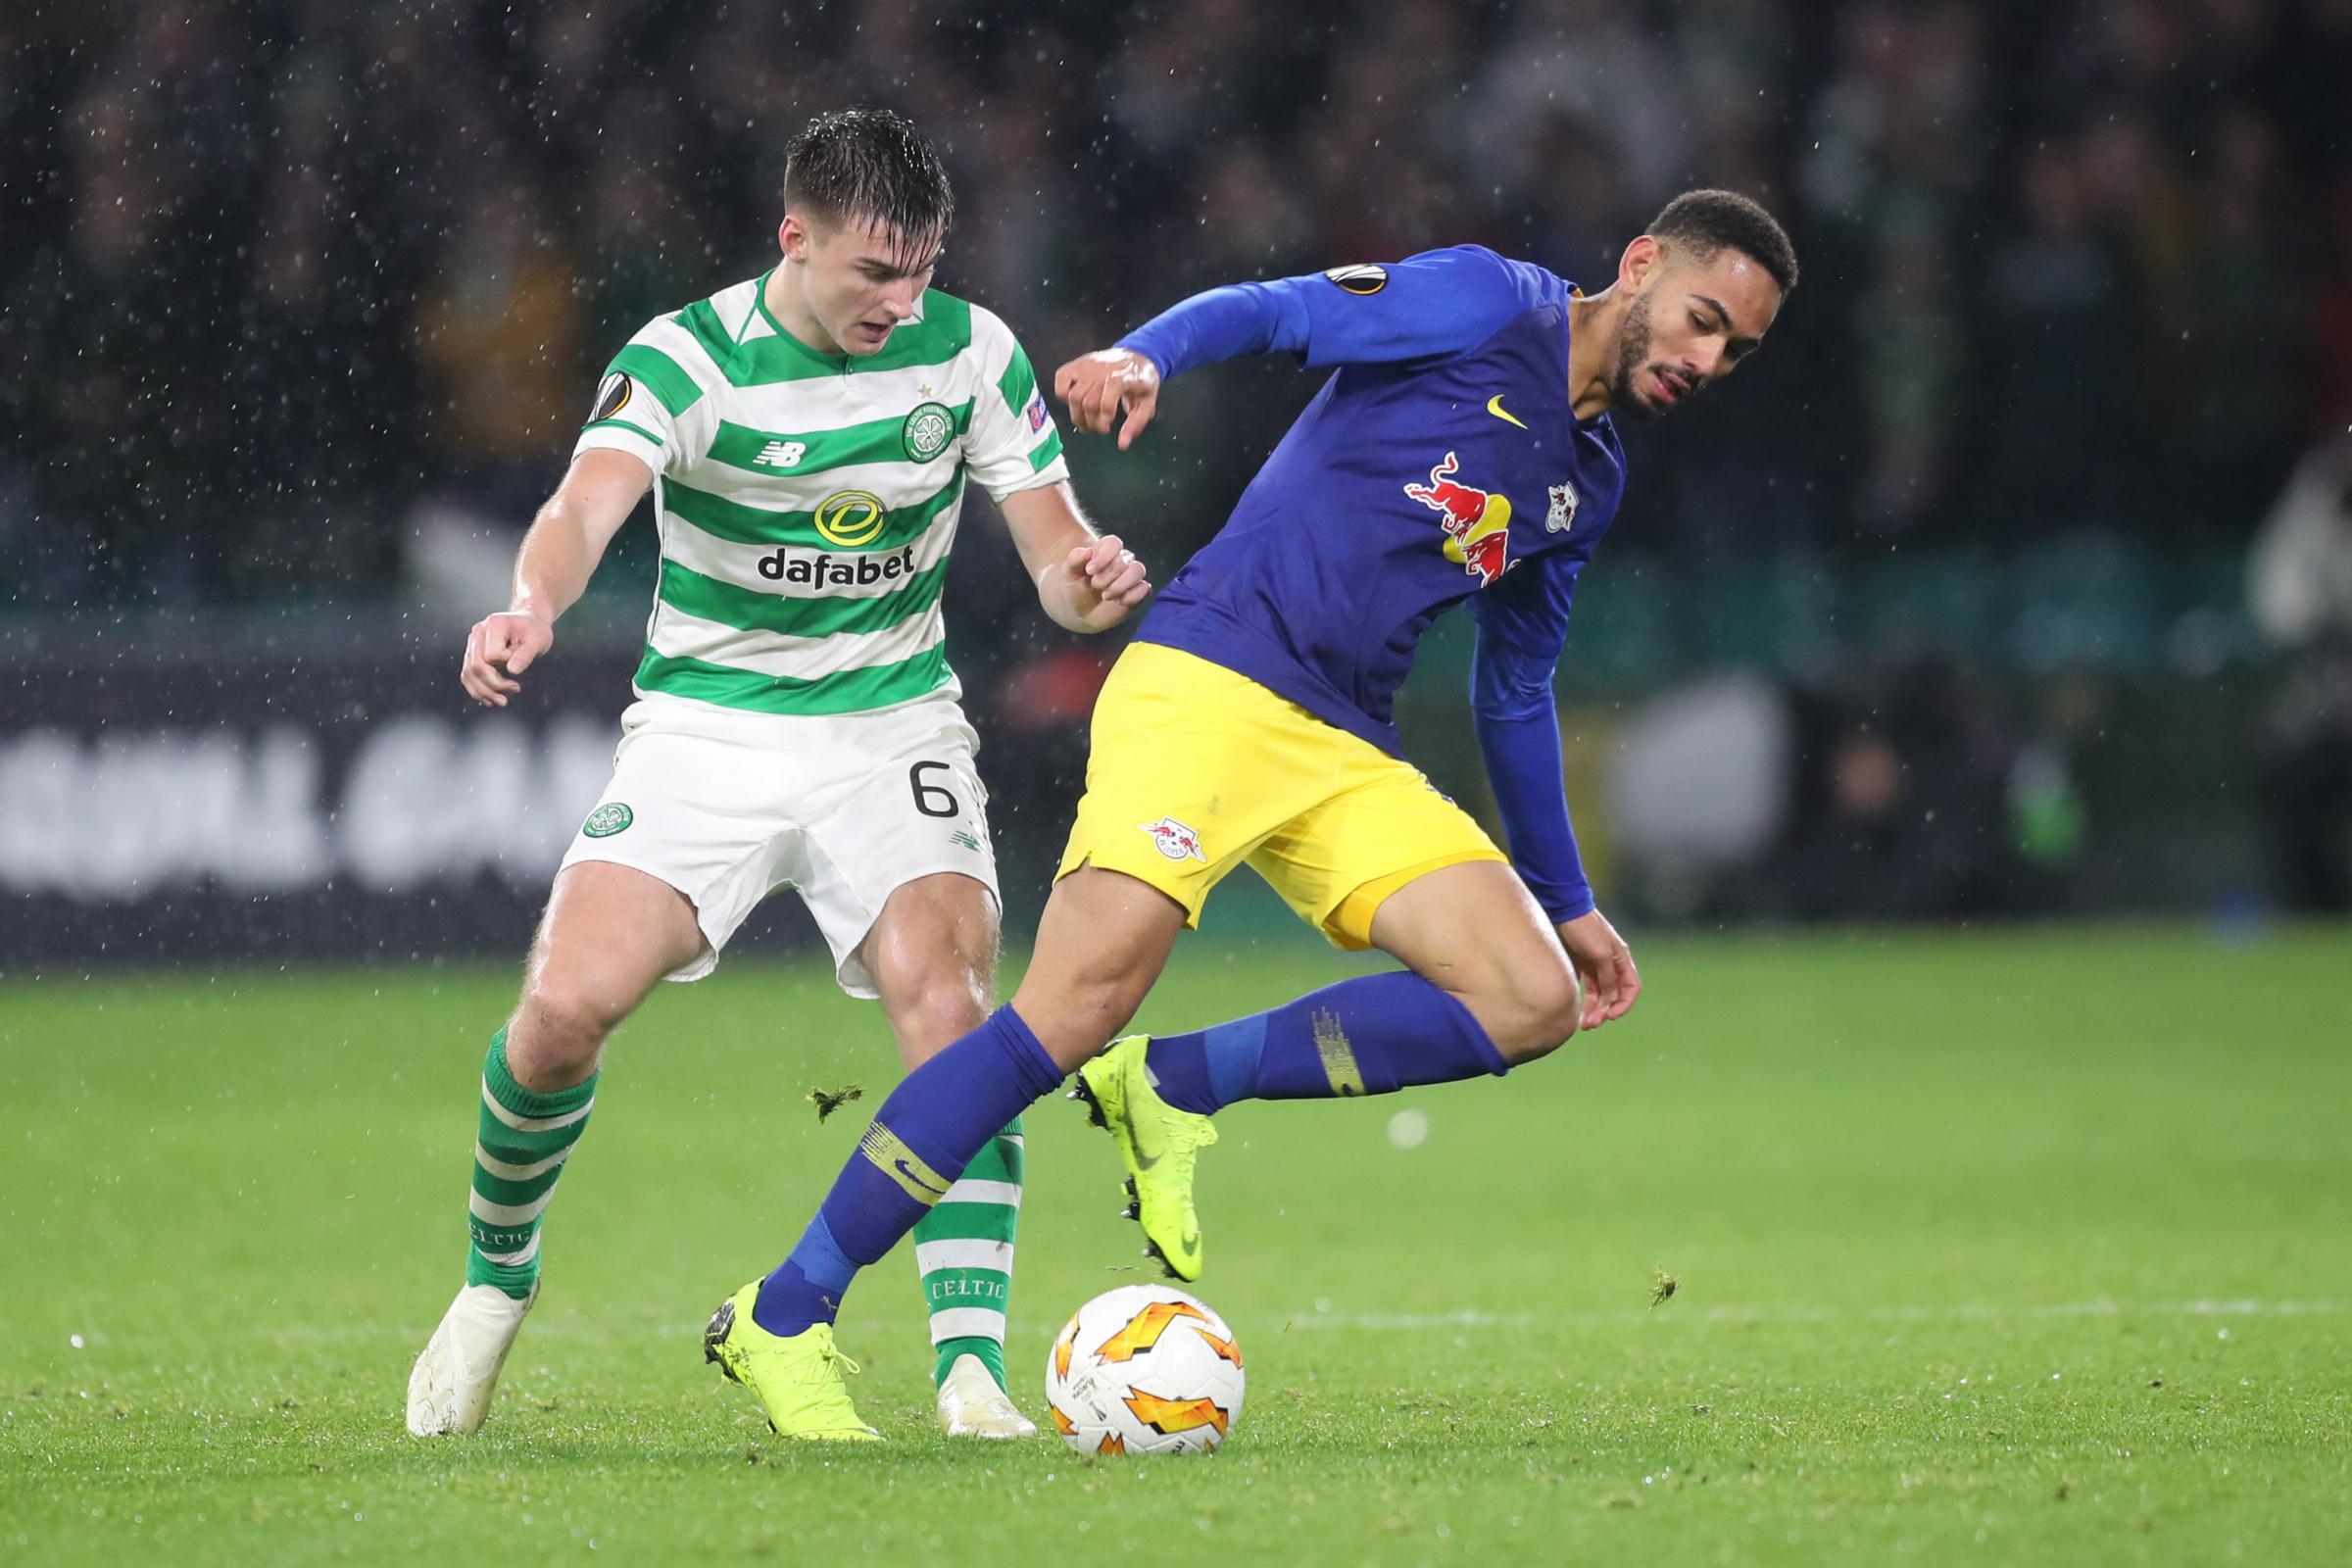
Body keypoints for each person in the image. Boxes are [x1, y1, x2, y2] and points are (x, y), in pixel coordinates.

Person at [702, 190, 1795, 1440]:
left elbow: (1515, 691)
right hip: (1212, 679)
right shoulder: (1488, 303)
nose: (1707, 362)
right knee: (1067, 1010)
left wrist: (1572, 901)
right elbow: (1281, 314)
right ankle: (783, 1313)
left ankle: (1171, 1083)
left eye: (1737, 351)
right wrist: (1144, 354)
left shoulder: (1588, 480)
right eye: (1704, 321)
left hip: (1341, 746)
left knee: (1531, 993)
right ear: (1642, 263)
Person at [405, 109, 1151, 1444]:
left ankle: (969, 1368)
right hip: (709, 729)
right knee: (564, 1012)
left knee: (951, 1006)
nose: (900, 299)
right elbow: (584, 508)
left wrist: (1090, 590)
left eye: (919, 269)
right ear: (792, 238)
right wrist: (530, 605)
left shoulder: (972, 353)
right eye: (874, 271)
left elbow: (1055, 555)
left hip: (892, 727)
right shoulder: (687, 358)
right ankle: (493, 1283)